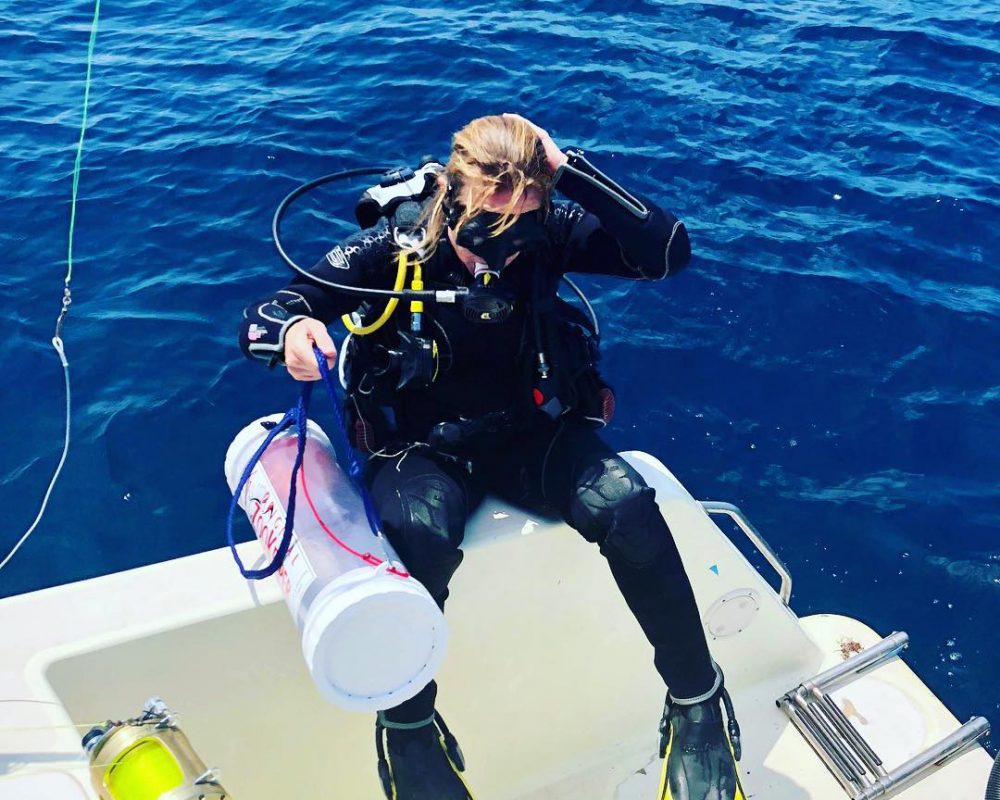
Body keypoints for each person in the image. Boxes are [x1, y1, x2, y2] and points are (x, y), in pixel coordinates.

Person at [238, 113, 745, 800]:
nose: (503, 235)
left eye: (524, 207)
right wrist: (296, 330)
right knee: (417, 535)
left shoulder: (551, 233)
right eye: (489, 207)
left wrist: (571, 172)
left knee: (627, 505)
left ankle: (697, 703)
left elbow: (665, 253)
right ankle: (409, 729)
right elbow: (271, 310)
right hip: (425, 448)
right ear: (455, 186)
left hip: (533, 435)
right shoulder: (396, 246)